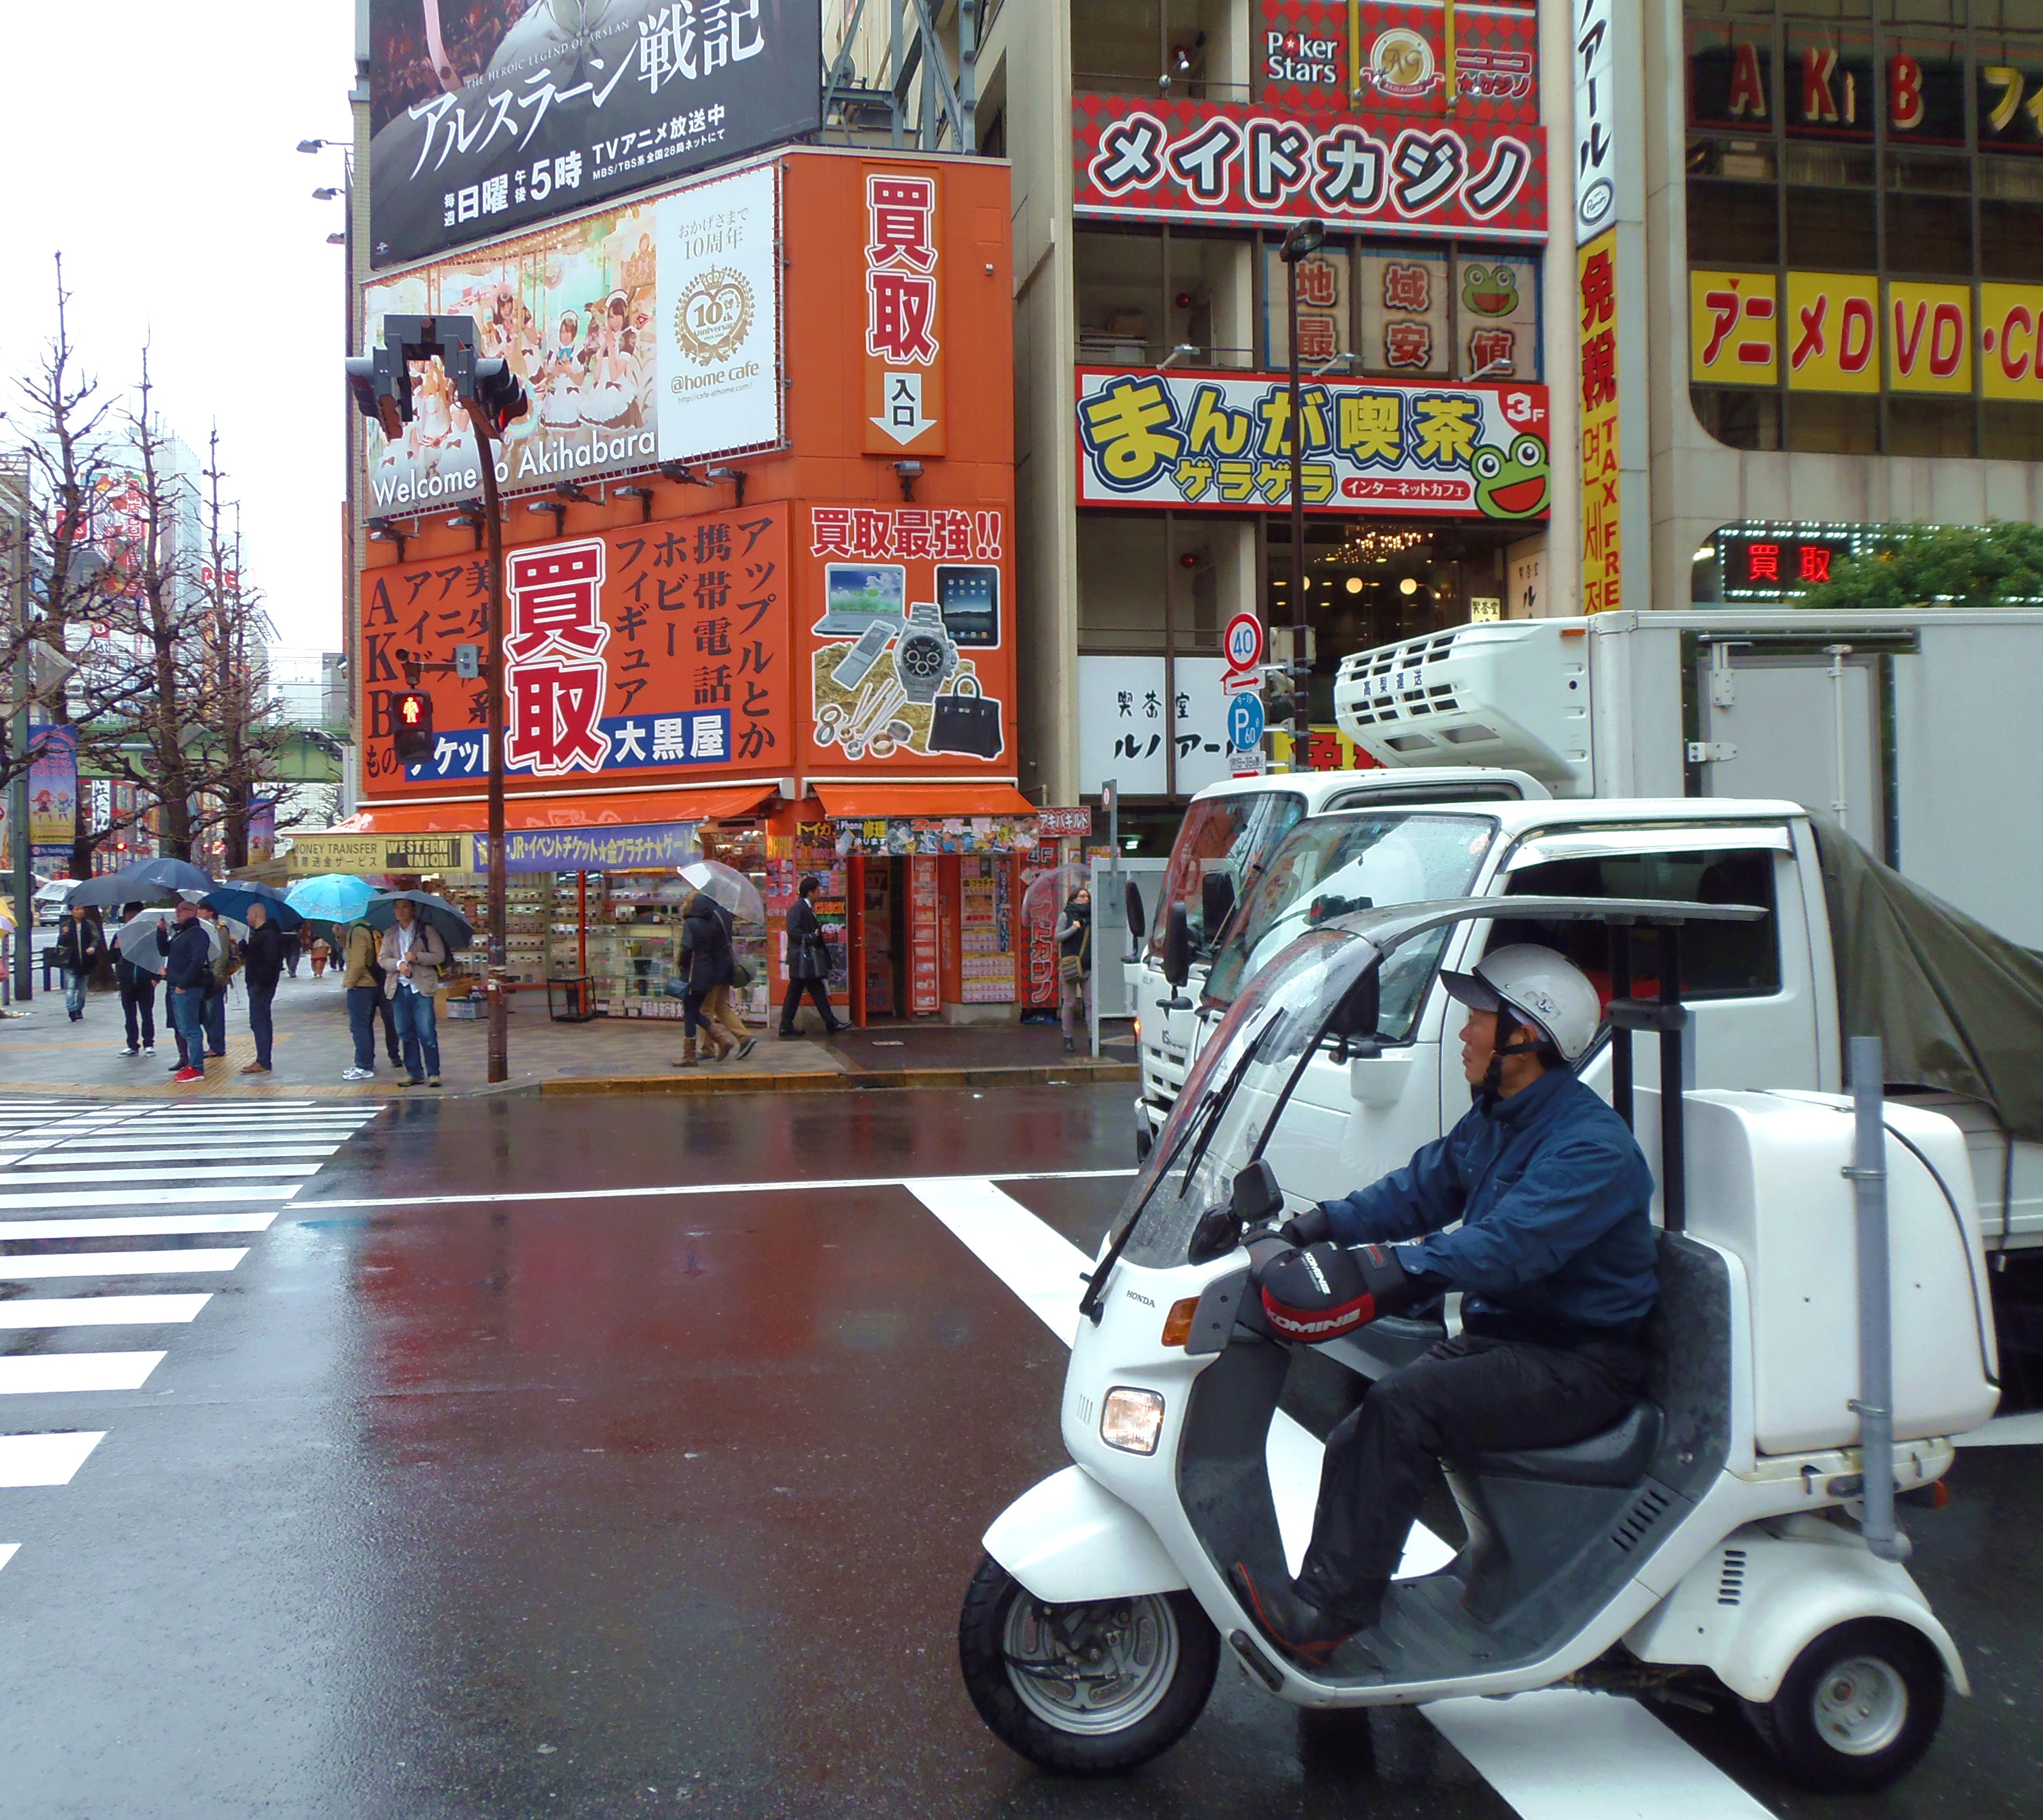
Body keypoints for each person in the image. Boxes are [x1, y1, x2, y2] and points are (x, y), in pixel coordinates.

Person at [1229, 945, 1657, 1669]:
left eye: (1479, 1019)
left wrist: (1392, 1270)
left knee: (1401, 1408)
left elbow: (1508, 1247)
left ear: (1527, 1034)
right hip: (1511, 1341)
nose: (1464, 1032)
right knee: (1360, 1430)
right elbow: (1418, 1190)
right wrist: (1315, 1227)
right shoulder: (1499, 1117)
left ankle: (1327, 1615)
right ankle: (1339, 1593)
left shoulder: (1590, 1149)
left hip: (1579, 1364)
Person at [380, 898, 449, 1086]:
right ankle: (414, 1072)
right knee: (404, 1032)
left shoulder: (426, 931)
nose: (400, 911)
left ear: (413, 909)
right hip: (398, 988)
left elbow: (439, 955)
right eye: (397, 908)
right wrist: (398, 965)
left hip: (421, 988)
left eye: (404, 907)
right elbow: (383, 959)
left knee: (426, 1032)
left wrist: (417, 957)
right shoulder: (390, 933)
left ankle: (433, 1073)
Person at [778, 875, 845, 1038]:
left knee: (802, 991)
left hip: (806, 960)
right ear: (810, 892)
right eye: (818, 890)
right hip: (803, 959)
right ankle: (830, 1023)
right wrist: (811, 937)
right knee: (807, 990)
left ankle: (788, 1025)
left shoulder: (807, 908)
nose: (820, 893)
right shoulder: (798, 909)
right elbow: (793, 932)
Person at [675, 890, 735, 1067]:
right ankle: (720, 1040)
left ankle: (691, 1055)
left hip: (694, 972)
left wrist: (681, 963)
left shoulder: (691, 923)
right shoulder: (712, 923)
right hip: (709, 972)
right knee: (693, 1010)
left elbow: (687, 947)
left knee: (691, 1010)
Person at [162, 901, 213, 1082]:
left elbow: (197, 961)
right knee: (183, 1027)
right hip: (176, 985)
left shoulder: (197, 934)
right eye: (177, 910)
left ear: (192, 912)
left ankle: (196, 1067)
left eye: (182, 910)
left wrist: (183, 984)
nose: (178, 913)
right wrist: (161, 932)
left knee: (190, 1028)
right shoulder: (180, 933)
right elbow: (165, 951)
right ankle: (191, 1064)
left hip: (188, 987)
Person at [702, 898, 756, 1062]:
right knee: (721, 1007)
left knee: (705, 1010)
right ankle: (744, 1037)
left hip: (713, 968)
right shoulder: (724, 914)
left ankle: (707, 1049)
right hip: (726, 966)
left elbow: (706, 943)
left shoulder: (708, 915)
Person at [239, 902, 286, 1074]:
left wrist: (259, 983)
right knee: (258, 1021)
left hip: (261, 986)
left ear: (256, 915)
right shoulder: (260, 934)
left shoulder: (268, 935)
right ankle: (262, 1059)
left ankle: (263, 1061)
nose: (246, 917)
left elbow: (270, 962)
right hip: (257, 984)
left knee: (260, 1021)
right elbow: (257, 957)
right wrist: (245, 950)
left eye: (248, 914)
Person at [113, 902, 158, 1055]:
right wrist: (117, 948)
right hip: (126, 981)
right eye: (129, 915)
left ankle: (149, 1043)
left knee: (147, 1014)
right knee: (129, 1015)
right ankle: (132, 1044)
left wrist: (156, 977)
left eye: (135, 915)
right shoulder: (121, 934)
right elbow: (112, 958)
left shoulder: (149, 934)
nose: (132, 918)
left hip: (145, 980)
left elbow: (157, 956)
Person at [340, 918, 381, 1082]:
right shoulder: (368, 927)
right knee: (365, 1026)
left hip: (361, 985)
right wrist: (341, 936)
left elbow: (357, 963)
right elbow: (350, 952)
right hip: (372, 984)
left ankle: (364, 1066)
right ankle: (366, 1061)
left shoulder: (357, 931)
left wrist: (349, 983)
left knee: (359, 1027)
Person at [1054, 886, 1092, 1054]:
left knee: (1090, 1004)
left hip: (1088, 965)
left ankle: (1093, 1038)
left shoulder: (1092, 917)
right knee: (1069, 1003)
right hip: (1071, 964)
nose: (1086, 900)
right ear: (1074, 899)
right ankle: (1068, 1037)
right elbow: (1057, 937)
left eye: (1088, 897)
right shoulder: (1067, 915)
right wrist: (1074, 928)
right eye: (1082, 896)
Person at [54, 903, 107, 1023]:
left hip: (85, 961)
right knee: (71, 986)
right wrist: (65, 934)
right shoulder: (67, 925)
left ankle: (79, 1008)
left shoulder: (89, 924)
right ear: (71, 912)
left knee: (83, 988)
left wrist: (92, 948)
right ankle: (71, 1010)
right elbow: (61, 942)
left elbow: (96, 938)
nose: (80, 912)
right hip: (71, 961)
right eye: (77, 909)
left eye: (81, 909)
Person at [196, 903, 231, 1060]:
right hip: (202, 976)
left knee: (214, 1013)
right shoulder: (200, 928)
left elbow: (223, 954)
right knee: (205, 1013)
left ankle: (217, 1046)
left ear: (210, 911)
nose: (198, 912)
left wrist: (216, 975)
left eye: (201, 909)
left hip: (215, 977)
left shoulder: (220, 929)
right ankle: (213, 1044)